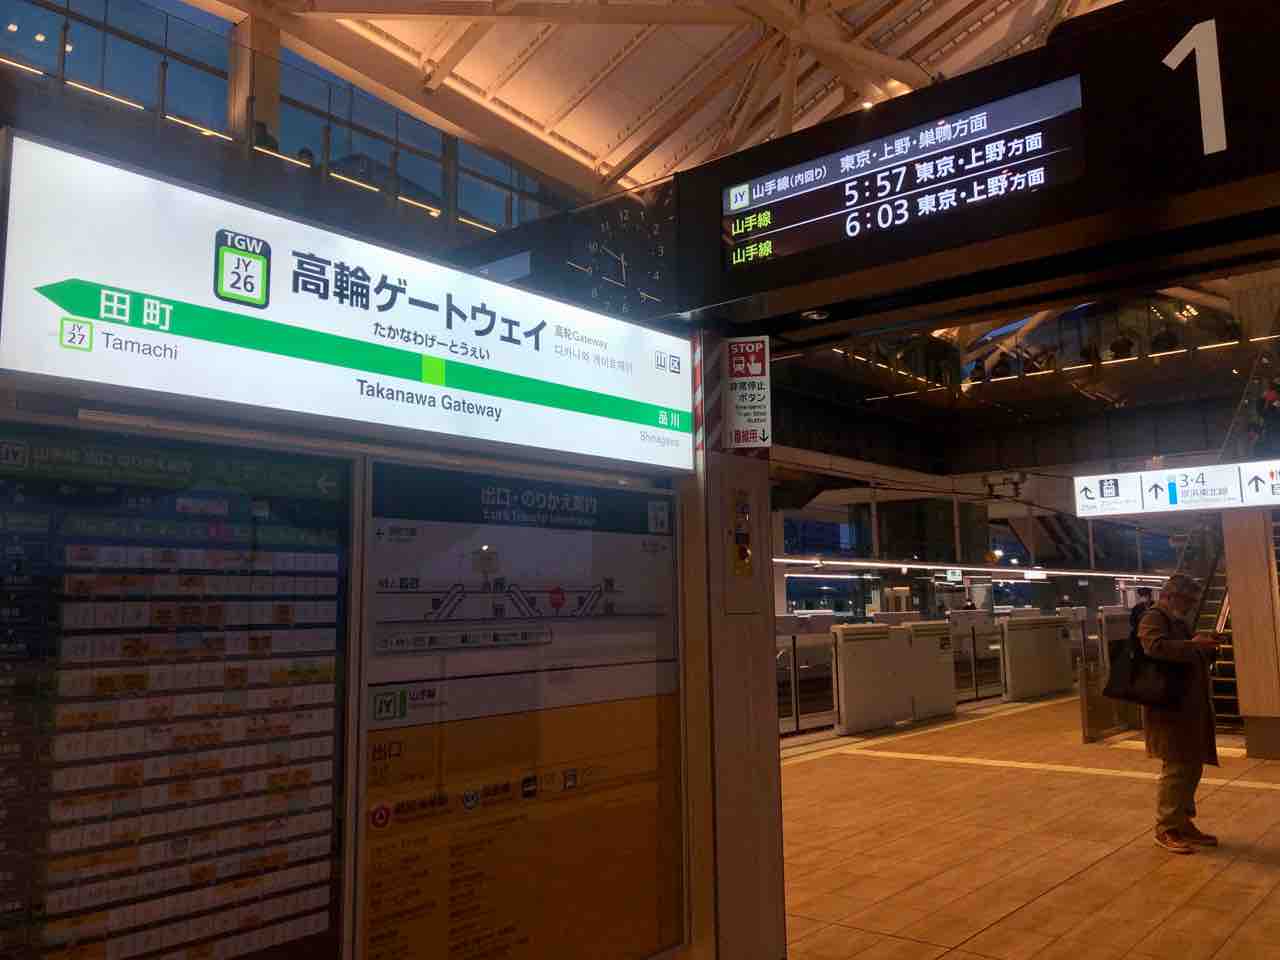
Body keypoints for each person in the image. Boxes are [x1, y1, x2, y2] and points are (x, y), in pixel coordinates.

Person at [1138, 574, 1220, 854]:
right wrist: (1195, 645)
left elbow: (1186, 652)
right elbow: (1154, 647)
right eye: (1188, 600)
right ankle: (1166, 828)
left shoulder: (1178, 622)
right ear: (1171, 596)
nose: (1191, 606)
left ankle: (1182, 822)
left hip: (1187, 707)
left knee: (1191, 767)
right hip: (1169, 709)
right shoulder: (1153, 618)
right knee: (1176, 768)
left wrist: (1206, 646)